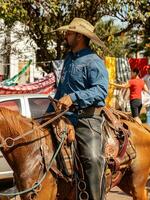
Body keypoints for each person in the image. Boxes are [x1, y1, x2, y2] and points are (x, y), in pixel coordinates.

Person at [46, 18, 108, 200]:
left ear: (79, 36)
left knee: (93, 158)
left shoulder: (93, 61)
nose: (65, 35)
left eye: (69, 32)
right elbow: (61, 92)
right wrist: (48, 114)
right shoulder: (68, 59)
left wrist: (74, 97)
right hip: (63, 117)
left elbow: (101, 90)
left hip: (87, 119)